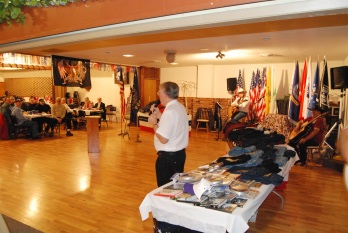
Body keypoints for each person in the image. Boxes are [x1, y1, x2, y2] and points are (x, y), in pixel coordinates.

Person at [148, 82, 189, 187]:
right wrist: (159, 115)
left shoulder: (170, 111)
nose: (158, 95)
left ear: (165, 94)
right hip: (179, 156)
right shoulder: (180, 107)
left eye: (159, 92)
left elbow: (163, 139)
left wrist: (154, 124)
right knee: (175, 187)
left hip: (168, 159)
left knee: (165, 190)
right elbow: (172, 126)